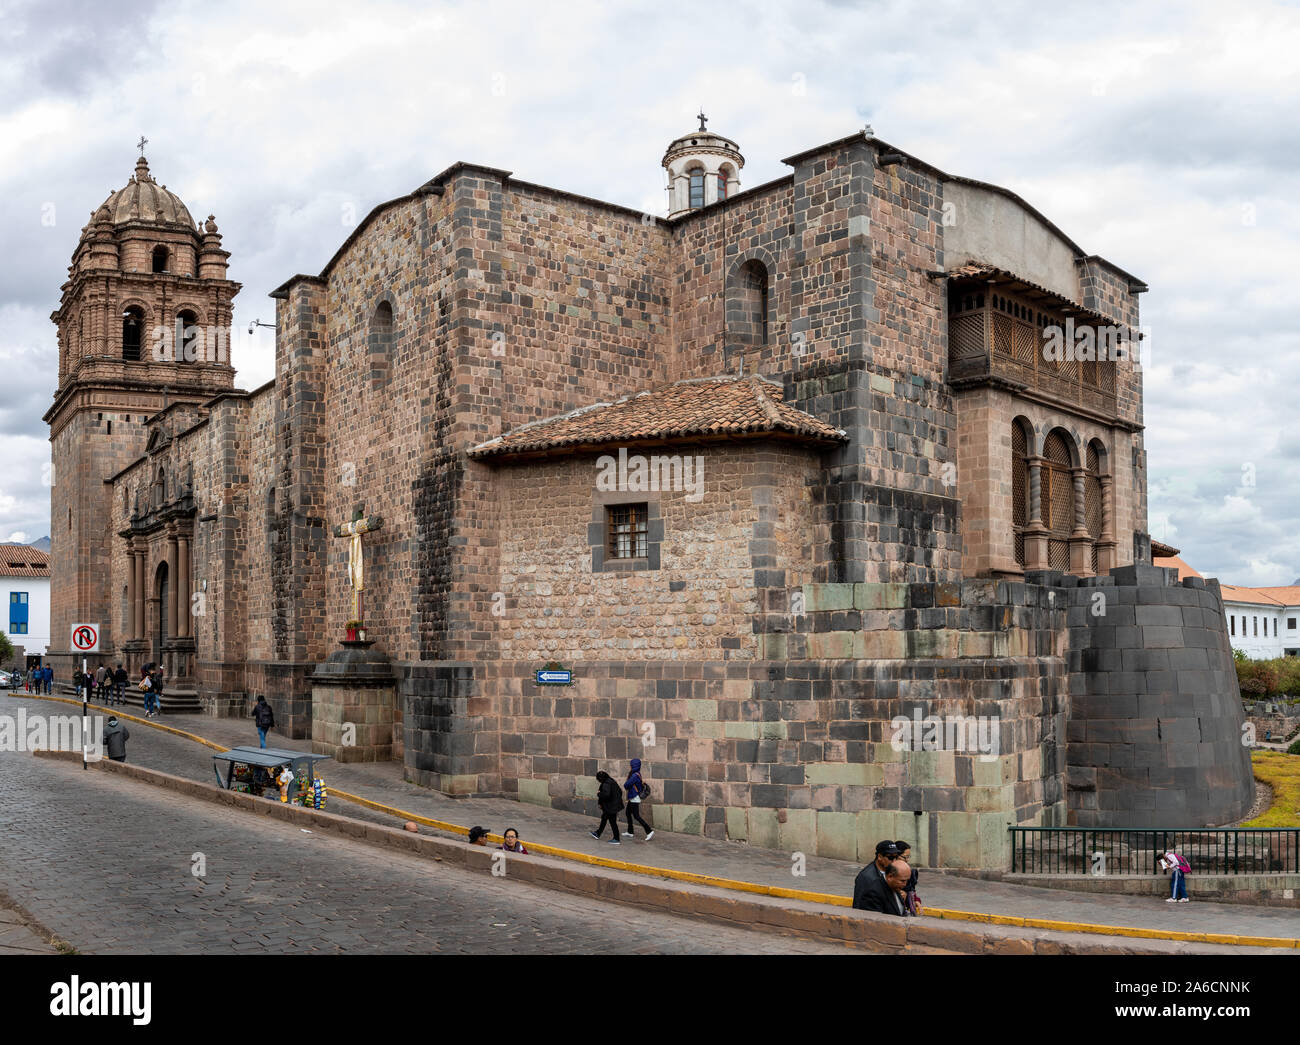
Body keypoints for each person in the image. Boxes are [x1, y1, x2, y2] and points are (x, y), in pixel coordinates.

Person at [852, 840, 900, 911]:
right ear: (880, 857)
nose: (894, 861)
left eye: (896, 857)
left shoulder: (891, 871)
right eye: (890, 858)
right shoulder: (867, 877)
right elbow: (858, 904)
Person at [623, 757, 654, 840]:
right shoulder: (637, 773)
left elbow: (626, 785)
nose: (630, 766)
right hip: (633, 797)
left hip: (634, 797)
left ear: (633, 766)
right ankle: (630, 832)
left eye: (631, 765)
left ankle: (649, 831)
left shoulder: (634, 775)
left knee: (636, 816)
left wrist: (627, 784)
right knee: (628, 813)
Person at [590, 770, 624, 844]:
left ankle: (616, 838)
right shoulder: (611, 781)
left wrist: (599, 794)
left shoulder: (606, 784)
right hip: (612, 806)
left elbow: (606, 795)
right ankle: (598, 833)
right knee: (604, 818)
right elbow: (620, 792)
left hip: (611, 807)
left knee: (612, 822)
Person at [894, 839, 922, 915]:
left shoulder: (909, 872)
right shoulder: (888, 873)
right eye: (905, 857)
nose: (907, 860)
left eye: (908, 857)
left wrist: (915, 900)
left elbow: (911, 890)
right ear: (895, 856)